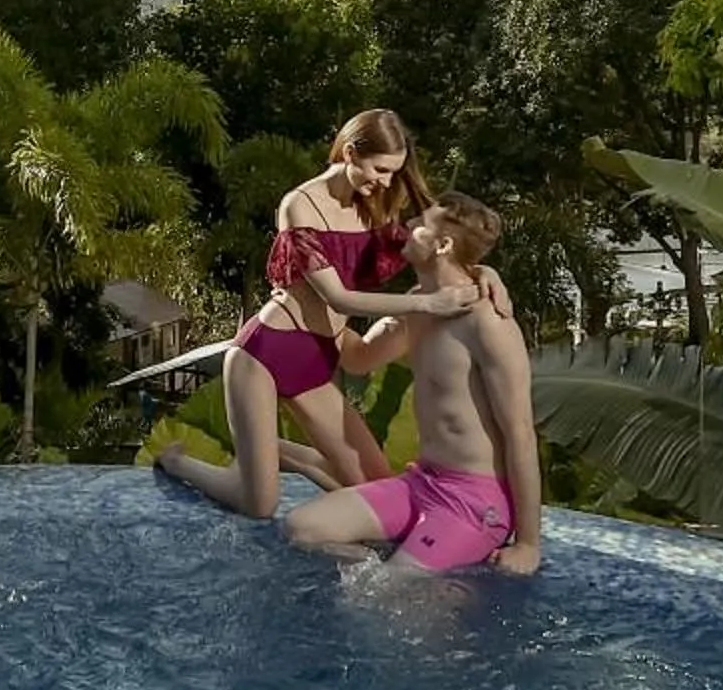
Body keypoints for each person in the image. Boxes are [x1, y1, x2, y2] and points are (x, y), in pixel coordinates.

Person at [154, 109, 480, 521]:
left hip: (318, 355)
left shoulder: (374, 203)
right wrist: (426, 304)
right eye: (379, 169)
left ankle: (272, 451)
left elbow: (445, 243)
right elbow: (338, 298)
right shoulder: (300, 204)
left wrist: (483, 278)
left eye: (393, 173)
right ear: (349, 153)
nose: (385, 181)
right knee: (259, 506)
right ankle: (177, 463)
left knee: (377, 486)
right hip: (264, 355)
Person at [288, 191, 542, 576]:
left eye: (420, 225)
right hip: (421, 482)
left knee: (389, 592)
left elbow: (521, 432)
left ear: (442, 245)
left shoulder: (488, 321)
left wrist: (528, 544)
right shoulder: (416, 305)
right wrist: (305, 303)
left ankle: (413, 569)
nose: (407, 227)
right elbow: (359, 360)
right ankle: (404, 564)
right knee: (302, 530)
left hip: (474, 501)